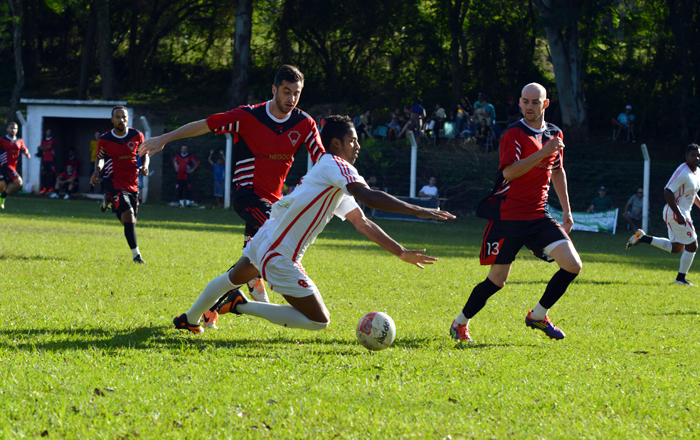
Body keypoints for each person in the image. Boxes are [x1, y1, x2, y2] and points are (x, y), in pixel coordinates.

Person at [172, 115, 455, 335]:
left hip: (269, 236)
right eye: (353, 140)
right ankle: (240, 305)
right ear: (336, 144)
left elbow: (363, 222)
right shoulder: (336, 165)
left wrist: (400, 251)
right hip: (280, 252)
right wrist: (418, 210)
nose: (357, 146)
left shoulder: (331, 177)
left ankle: (190, 319)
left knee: (231, 277)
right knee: (320, 321)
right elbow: (368, 196)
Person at [138, 64, 326, 320]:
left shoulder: (304, 123)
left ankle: (206, 312)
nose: (291, 99)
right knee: (279, 244)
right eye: (285, 91)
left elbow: (324, 160)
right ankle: (277, 289)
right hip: (247, 196)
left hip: (274, 203)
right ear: (274, 90)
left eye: (296, 93)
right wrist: (164, 138)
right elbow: (204, 125)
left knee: (248, 265)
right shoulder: (248, 116)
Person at [449, 82, 582, 343]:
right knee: (497, 281)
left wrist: (566, 209)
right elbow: (509, 172)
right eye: (525, 101)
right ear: (519, 103)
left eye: (535, 102)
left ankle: (538, 316)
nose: (529, 106)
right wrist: (542, 153)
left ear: (545, 104)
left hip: (539, 215)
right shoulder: (513, 133)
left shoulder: (555, 134)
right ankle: (460, 323)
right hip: (508, 217)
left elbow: (557, 170)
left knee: (572, 265)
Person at [626, 144, 700, 286]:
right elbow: (668, 191)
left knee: (677, 248)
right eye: (693, 155)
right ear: (686, 157)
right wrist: (678, 214)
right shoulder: (682, 171)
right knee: (692, 246)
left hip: (680, 212)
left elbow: (693, 194)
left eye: (698, 155)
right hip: (676, 212)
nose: (696, 158)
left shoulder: (698, 172)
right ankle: (680, 279)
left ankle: (643, 238)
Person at [90, 106, 149, 264]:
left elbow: (144, 155)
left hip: (132, 181)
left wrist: (145, 166)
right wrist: (97, 171)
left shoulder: (137, 135)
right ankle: (137, 256)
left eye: (124, 117)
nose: (121, 120)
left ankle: (110, 201)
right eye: (118, 117)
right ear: (112, 120)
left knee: (129, 221)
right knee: (129, 215)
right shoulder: (105, 139)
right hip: (113, 179)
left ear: (128, 118)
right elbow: (100, 158)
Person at [0, 122, 31, 209]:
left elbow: (24, 149)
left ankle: (1, 196)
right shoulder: (2, 140)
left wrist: (27, 153)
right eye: (11, 128)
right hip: (5, 166)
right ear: (7, 129)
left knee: (1, 186)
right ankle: (3, 197)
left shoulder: (19, 141)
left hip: (13, 167)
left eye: (15, 128)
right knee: (19, 182)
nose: (13, 130)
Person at [38, 128, 56, 194]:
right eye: (47, 131)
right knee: (43, 173)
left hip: (51, 159)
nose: (48, 133)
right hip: (45, 159)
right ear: (45, 132)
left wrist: (44, 148)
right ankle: (44, 187)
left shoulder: (53, 140)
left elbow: (49, 147)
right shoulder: (43, 140)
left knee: (52, 173)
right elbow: (40, 148)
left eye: (50, 132)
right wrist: (45, 148)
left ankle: (52, 187)